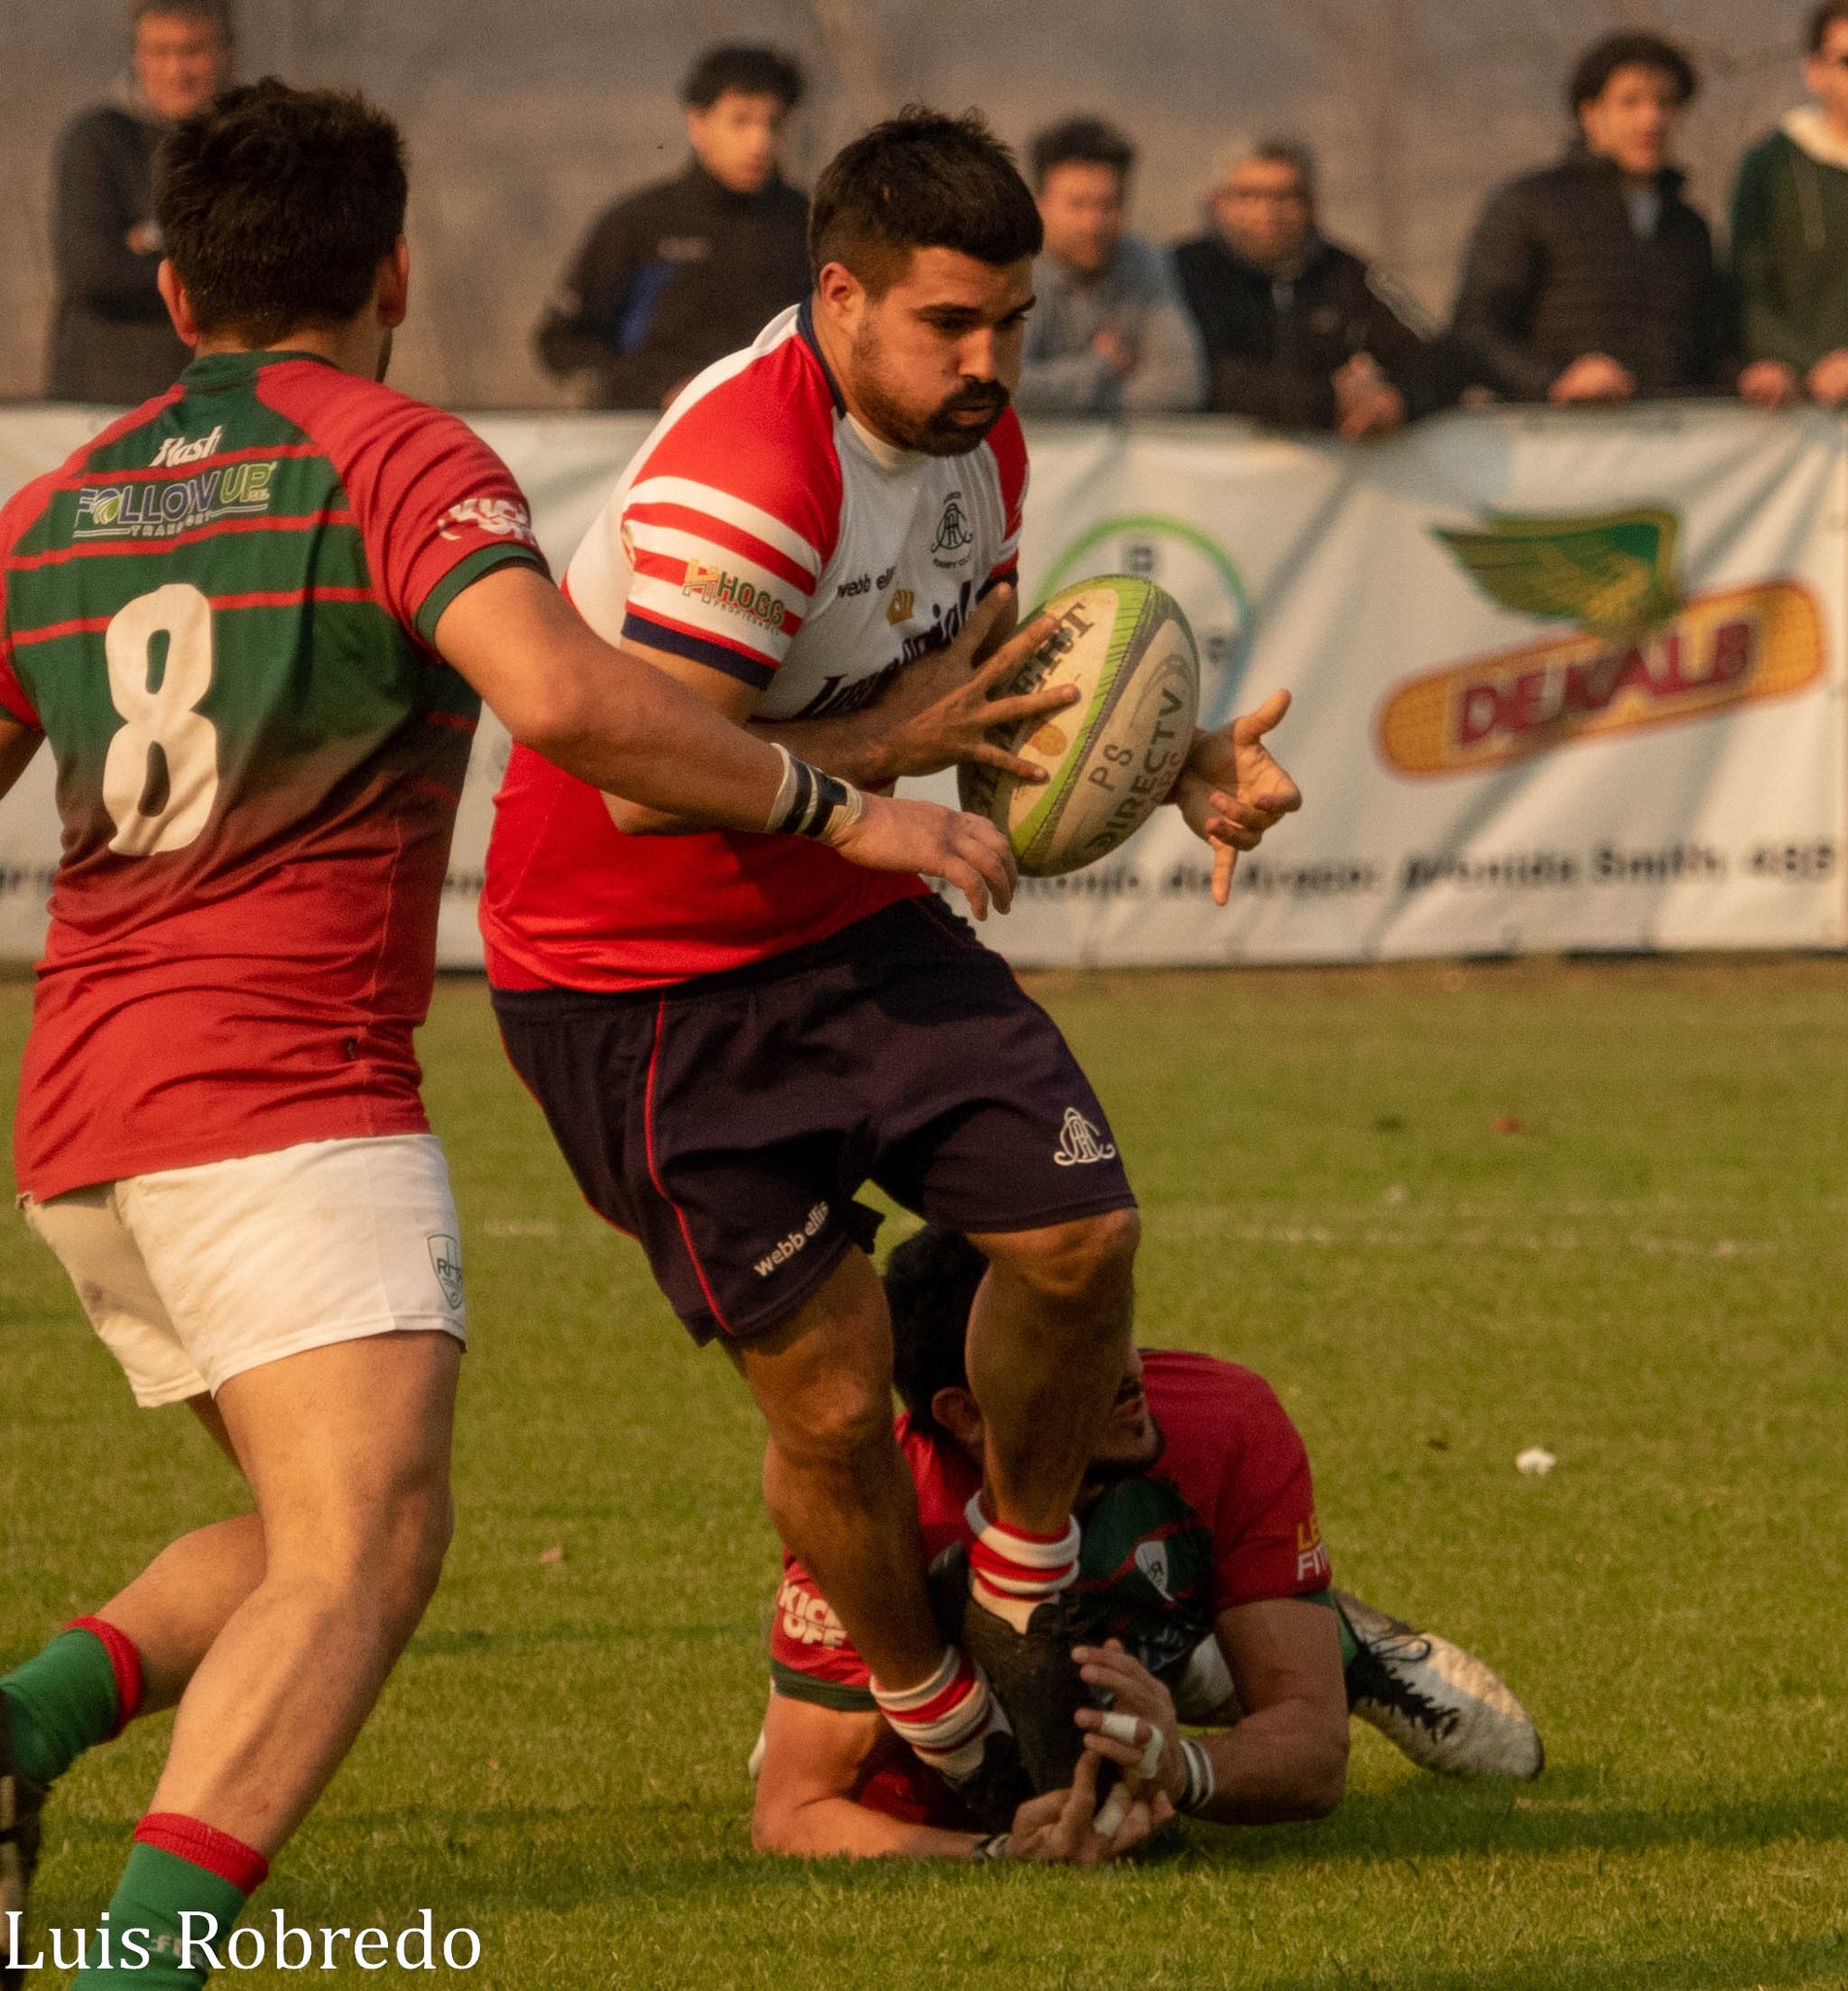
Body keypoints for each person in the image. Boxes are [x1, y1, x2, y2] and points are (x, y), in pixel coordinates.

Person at [0, 81, 1012, 1991]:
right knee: (365, 1559)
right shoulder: (396, 456)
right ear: (394, 267)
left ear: (167, 285)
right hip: (279, 1100)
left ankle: (28, 1721)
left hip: (83, 1122)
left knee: (312, 1527)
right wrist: (838, 804)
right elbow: (570, 697)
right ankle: (139, 1970)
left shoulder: (55, 506)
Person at [481, 109, 1302, 1830]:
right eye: (949, 322)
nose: (991, 359)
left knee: (1080, 1236)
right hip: (641, 977)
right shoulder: (749, 473)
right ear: (838, 295)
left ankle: (1019, 1578)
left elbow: (981, 685)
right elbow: (644, 777)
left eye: (1006, 318)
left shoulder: (970, 443)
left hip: (840, 916)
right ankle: (929, 1715)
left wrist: (1182, 755)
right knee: (843, 1394)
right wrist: (872, 783)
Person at [753, 1226, 1544, 1861]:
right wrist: (994, 1851)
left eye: (1117, 1333)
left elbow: (1310, 1754)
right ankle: (1204, 1657)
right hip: (962, 1691)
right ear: (965, 1413)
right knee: (821, 1745)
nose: (1129, 1372)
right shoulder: (876, 1516)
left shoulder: (1218, 1419)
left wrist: (1183, 1768)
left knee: (1160, 1660)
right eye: (1079, 1365)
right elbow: (791, 1812)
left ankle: (1298, 1647)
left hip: (1131, 1625)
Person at [1452, 33, 1749, 406]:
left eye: (1666, 102)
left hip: (1675, 450)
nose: (1651, 119)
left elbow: (1713, 350)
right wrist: (1556, 381)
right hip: (1554, 446)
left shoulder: (1690, 229)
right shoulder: (1526, 206)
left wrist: (1748, 377)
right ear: (1590, 113)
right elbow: (1474, 334)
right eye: (1630, 102)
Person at [535, 44, 812, 409]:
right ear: (698, 123)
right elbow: (561, 342)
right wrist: (660, 391)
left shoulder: (810, 223)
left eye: (773, 123)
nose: (760, 141)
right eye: (740, 120)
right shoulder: (639, 224)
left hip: (782, 433)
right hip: (652, 436)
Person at [1170, 139, 1434, 437]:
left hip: (1336, 471)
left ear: (1311, 204)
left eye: (1285, 196)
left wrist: (1394, 401)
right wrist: (1327, 403)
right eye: (1248, 195)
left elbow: (1437, 356)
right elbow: (1195, 374)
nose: (1268, 210)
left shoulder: (1350, 274)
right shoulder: (1178, 273)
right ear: (1216, 202)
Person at [47, 0, 232, 402]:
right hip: (105, 401)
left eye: (192, 51)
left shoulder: (251, 145)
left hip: (218, 399)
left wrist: (149, 242)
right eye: (159, 52)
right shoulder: (97, 139)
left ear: (226, 51)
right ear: (136, 56)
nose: (175, 71)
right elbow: (93, 269)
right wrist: (220, 265)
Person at [1014, 116, 1204, 414]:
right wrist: (1101, 367)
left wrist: (1071, 400)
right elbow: (1010, 389)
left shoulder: (1144, 260)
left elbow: (1182, 385)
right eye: (1077, 204)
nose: (1094, 223)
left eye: (1109, 204)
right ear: (1039, 205)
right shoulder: (1014, 268)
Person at [1731, 1, 1848, 409]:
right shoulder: (1771, 165)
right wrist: (1809, 365)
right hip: (1800, 415)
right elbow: (1748, 293)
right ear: (1814, 71)